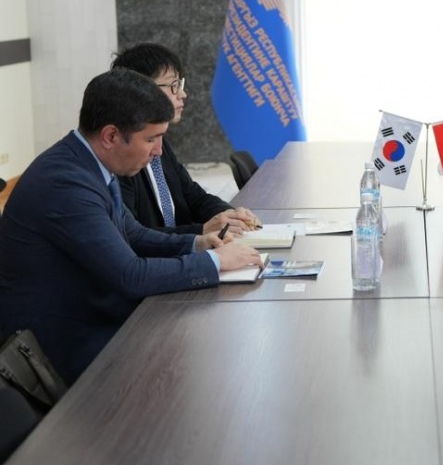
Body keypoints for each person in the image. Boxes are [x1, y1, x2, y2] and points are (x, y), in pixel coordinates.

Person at [0, 69, 263, 383]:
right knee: (197, 365)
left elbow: (133, 233)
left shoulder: (90, 163)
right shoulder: (66, 183)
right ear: (111, 136)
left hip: (95, 317)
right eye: (150, 139)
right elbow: (131, 276)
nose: (159, 151)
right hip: (62, 346)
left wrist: (198, 243)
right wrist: (214, 263)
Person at [111, 43, 261, 234]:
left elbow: (195, 197)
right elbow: (137, 236)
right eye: (173, 86)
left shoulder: (162, 145)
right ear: (141, 90)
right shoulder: (122, 157)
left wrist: (230, 215)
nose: (183, 94)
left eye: (180, 85)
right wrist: (202, 232)